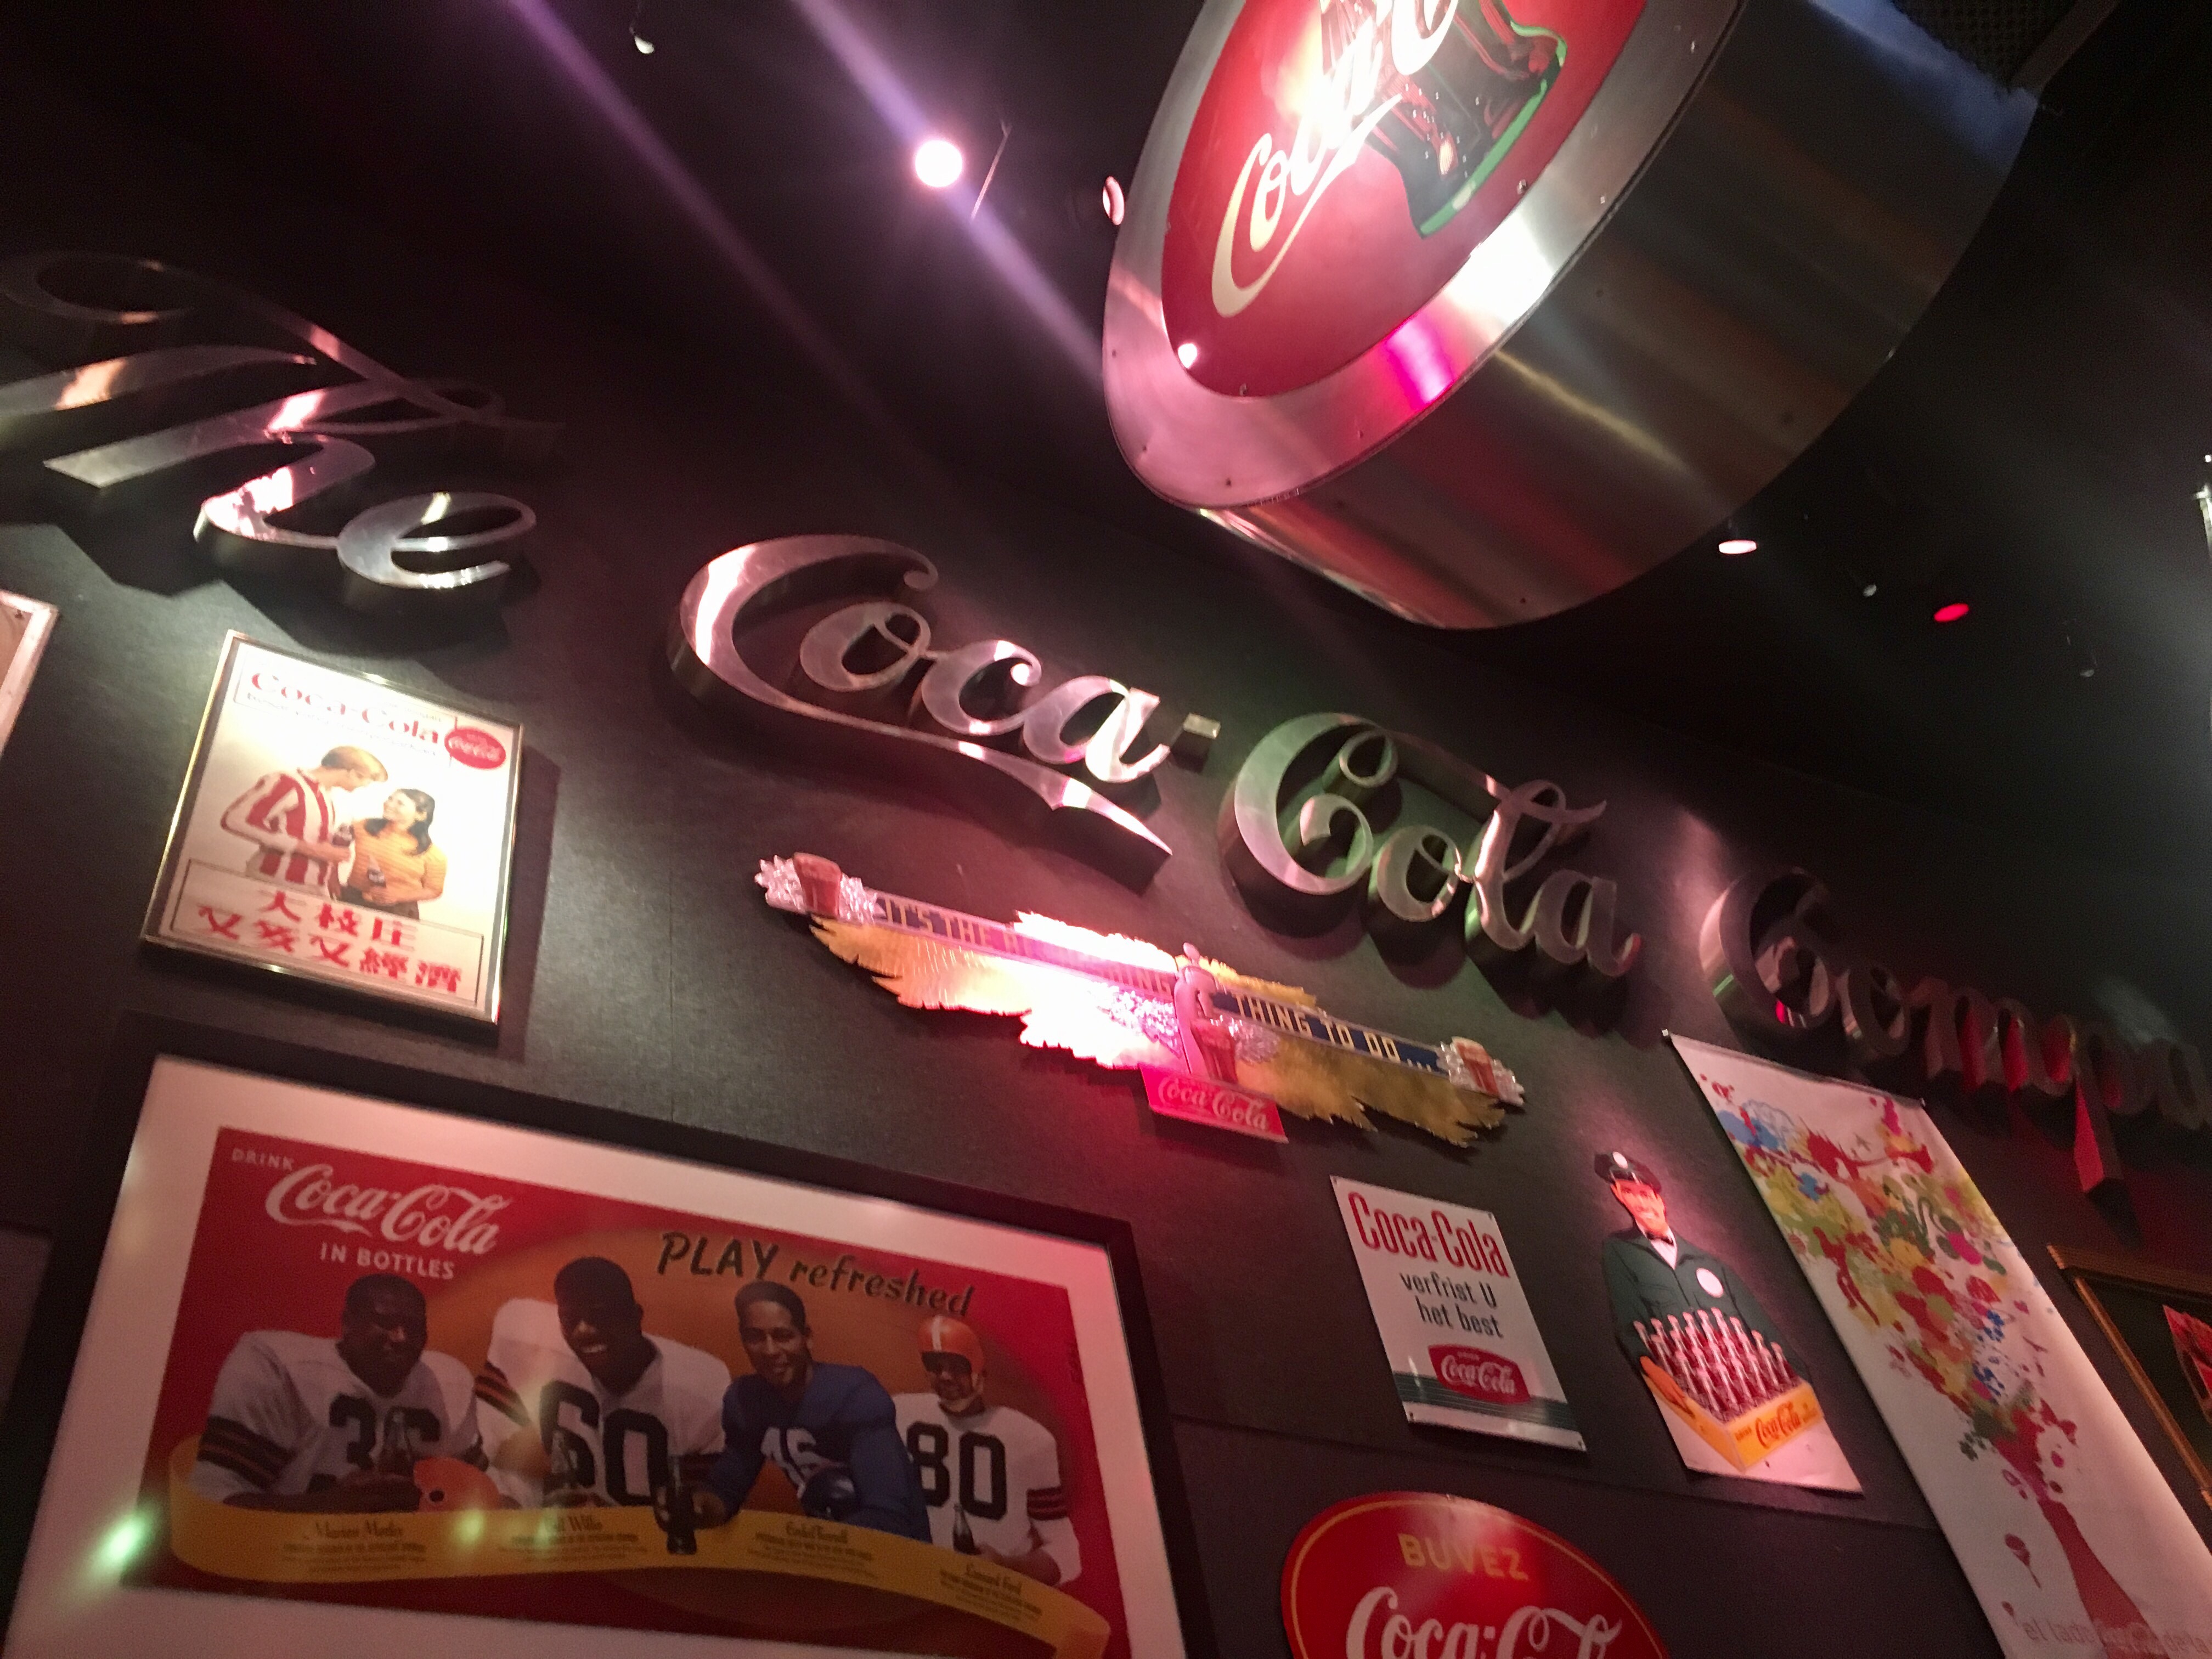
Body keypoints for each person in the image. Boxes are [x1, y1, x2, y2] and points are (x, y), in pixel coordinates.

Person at [659, 1283, 928, 1542]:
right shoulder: (746, 1399)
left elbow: (889, 1518)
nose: (770, 1351)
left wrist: (808, 1547)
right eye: (755, 1337)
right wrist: (696, 1509)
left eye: (783, 1336)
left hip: (898, 1557)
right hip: (830, 1549)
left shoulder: (854, 1395)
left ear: (806, 1338)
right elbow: (726, 1490)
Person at [188, 1273, 478, 1512]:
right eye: (385, 1323)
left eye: (414, 1327)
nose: (401, 1338)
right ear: (348, 1324)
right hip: (288, 1555)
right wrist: (330, 1507)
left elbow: (478, 1494)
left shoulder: (449, 1383)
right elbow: (212, 1503)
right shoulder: (277, 1366)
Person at [473, 1257, 728, 1508]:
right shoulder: (524, 1340)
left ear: (635, 1317)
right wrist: (510, 1504)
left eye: (601, 1315)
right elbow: (490, 1448)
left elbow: (702, 1509)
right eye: (570, 1319)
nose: (583, 1330)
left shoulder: (700, 1390)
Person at [893, 1315, 1080, 1584]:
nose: (945, 1376)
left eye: (957, 1366)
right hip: (913, 1583)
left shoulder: (1029, 1438)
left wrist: (1007, 1568)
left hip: (988, 1595)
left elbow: (1066, 1552)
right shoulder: (898, 1413)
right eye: (935, 1366)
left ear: (980, 1371)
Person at [1596, 1151, 1787, 1366]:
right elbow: (1629, 1324)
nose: (1641, 1204)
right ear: (1618, 1195)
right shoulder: (1619, 1250)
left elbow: (1764, 1328)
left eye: (1646, 1195)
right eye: (1629, 1192)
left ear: (1660, 1201)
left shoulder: (1711, 1264)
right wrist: (1653, 1370)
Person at [220, 744, 386, 892]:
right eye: (367, 782)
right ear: (354, 774)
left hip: (311, 886)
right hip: (274, 883)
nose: (364, 788)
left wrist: (331, 873)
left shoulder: (324, 794)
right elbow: (234, 820)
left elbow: (313, 842)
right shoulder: (288, 782)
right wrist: (311, 849)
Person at [338, 787, 447, 917]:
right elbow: (336, 848)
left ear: (420, 815)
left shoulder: (433, 855)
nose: (389, 804)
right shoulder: (364, 826)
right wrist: (333, 879)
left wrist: (399, 896)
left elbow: (434, 890)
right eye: (390, 799)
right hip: (352, 900)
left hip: (399, 911)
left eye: (400, 803)